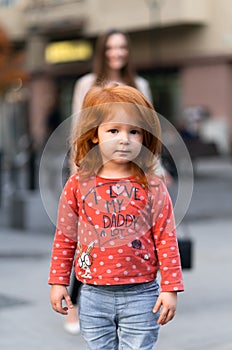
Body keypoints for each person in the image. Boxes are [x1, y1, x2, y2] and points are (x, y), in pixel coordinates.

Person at [49, 83, 184, 350]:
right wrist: (58, 281)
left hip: (142, 293)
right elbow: (65, 237)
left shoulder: (152, 186)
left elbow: (166, 238)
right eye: (114, 130)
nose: (124, 139)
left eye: (134, 131)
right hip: (92, 294)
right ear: (95, 135)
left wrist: (170, 288)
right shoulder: (78, 185)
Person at [66, 28, 163, 334]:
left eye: (122, 47)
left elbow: (147, 131)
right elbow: (78, 129)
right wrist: (78, 174)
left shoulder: (140, 84)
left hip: (132, 174)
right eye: (110, 47)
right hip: (92, 174)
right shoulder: (86, 84)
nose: (116, 52)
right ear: (102, 51)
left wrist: (155, 170)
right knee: (85, 240)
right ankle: (75, 307)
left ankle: (135, 297)